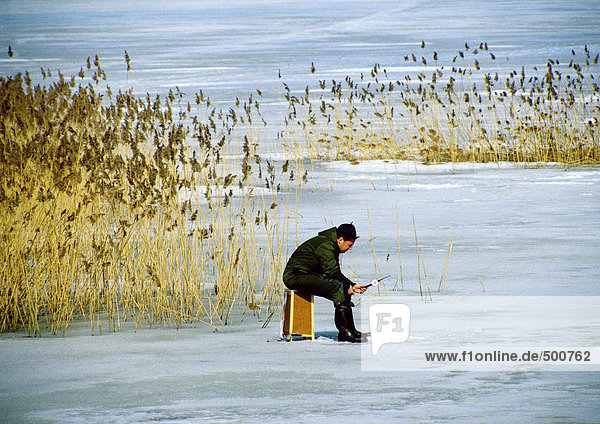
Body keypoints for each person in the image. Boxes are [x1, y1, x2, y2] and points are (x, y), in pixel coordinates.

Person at [282, 223, 369, 343]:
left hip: (307, 275)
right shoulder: (326, 246)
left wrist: (351, 285)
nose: (349, 249)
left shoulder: (331, 244)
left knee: (341, 287)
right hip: (295, 276)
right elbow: (332, 272)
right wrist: (348, 285)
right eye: (349, 245)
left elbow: (334, 272)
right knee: (338, 288)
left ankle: (350, 331)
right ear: (340, 240)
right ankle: (345, 333)